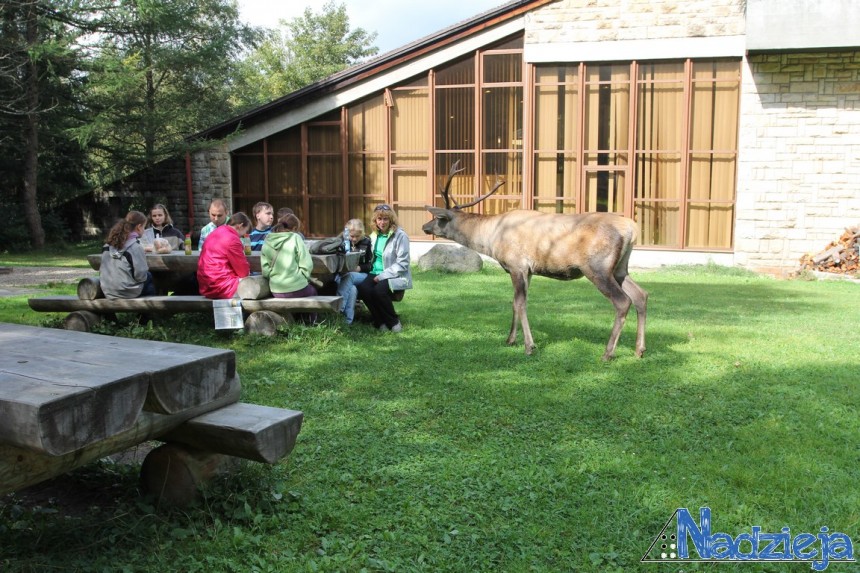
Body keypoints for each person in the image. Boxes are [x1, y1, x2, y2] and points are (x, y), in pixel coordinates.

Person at [355, 204, 412, 332]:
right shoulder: (374, 235)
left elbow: (403, 263)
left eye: (385, 219)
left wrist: (382, 276)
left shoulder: (400, 235)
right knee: (363, 289)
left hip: (392, 273)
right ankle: (380, 322)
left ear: (391, 220)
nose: (382, 222)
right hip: (374, 271)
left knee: (379, 291)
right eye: (379, 219)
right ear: (375, 220)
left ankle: (394, 322)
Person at [261, 213, 317, 323]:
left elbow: (265, 269)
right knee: (313, 291)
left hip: (276, 290)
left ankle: (294, 320)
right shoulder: (295, 238)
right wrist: (304, 276)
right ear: (295, 228)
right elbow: (307, 264)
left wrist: (273, 276)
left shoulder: (267, 240)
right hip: (296, 286)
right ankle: (312, 323)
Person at [99, 210, 156, 299]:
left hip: (108, 290)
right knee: (150, 278)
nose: (144, 230)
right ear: (139, 227)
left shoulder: (107, 246)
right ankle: (149, 311)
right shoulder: (135, 247)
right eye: (144, 227)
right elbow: (140, 276)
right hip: (127, 292)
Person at [197, 212, 252, 299]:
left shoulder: (215, 232)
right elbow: (243, 272)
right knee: (256, 286)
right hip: (223, 287)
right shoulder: (233, 239)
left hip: (207, 287)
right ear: (240, 226)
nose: (242, 236)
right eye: (245, 232)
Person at [334, 218, 373, 325]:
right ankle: (347, 321)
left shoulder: (367, 242)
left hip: (362, 275)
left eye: (357, 236)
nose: (354, 239)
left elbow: (371, 265)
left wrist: (360, 268)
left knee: (350, 276)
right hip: (343, 276)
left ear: (362, 233)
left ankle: (338, 308)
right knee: (352, 289)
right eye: (352, 236)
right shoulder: (342, 242)